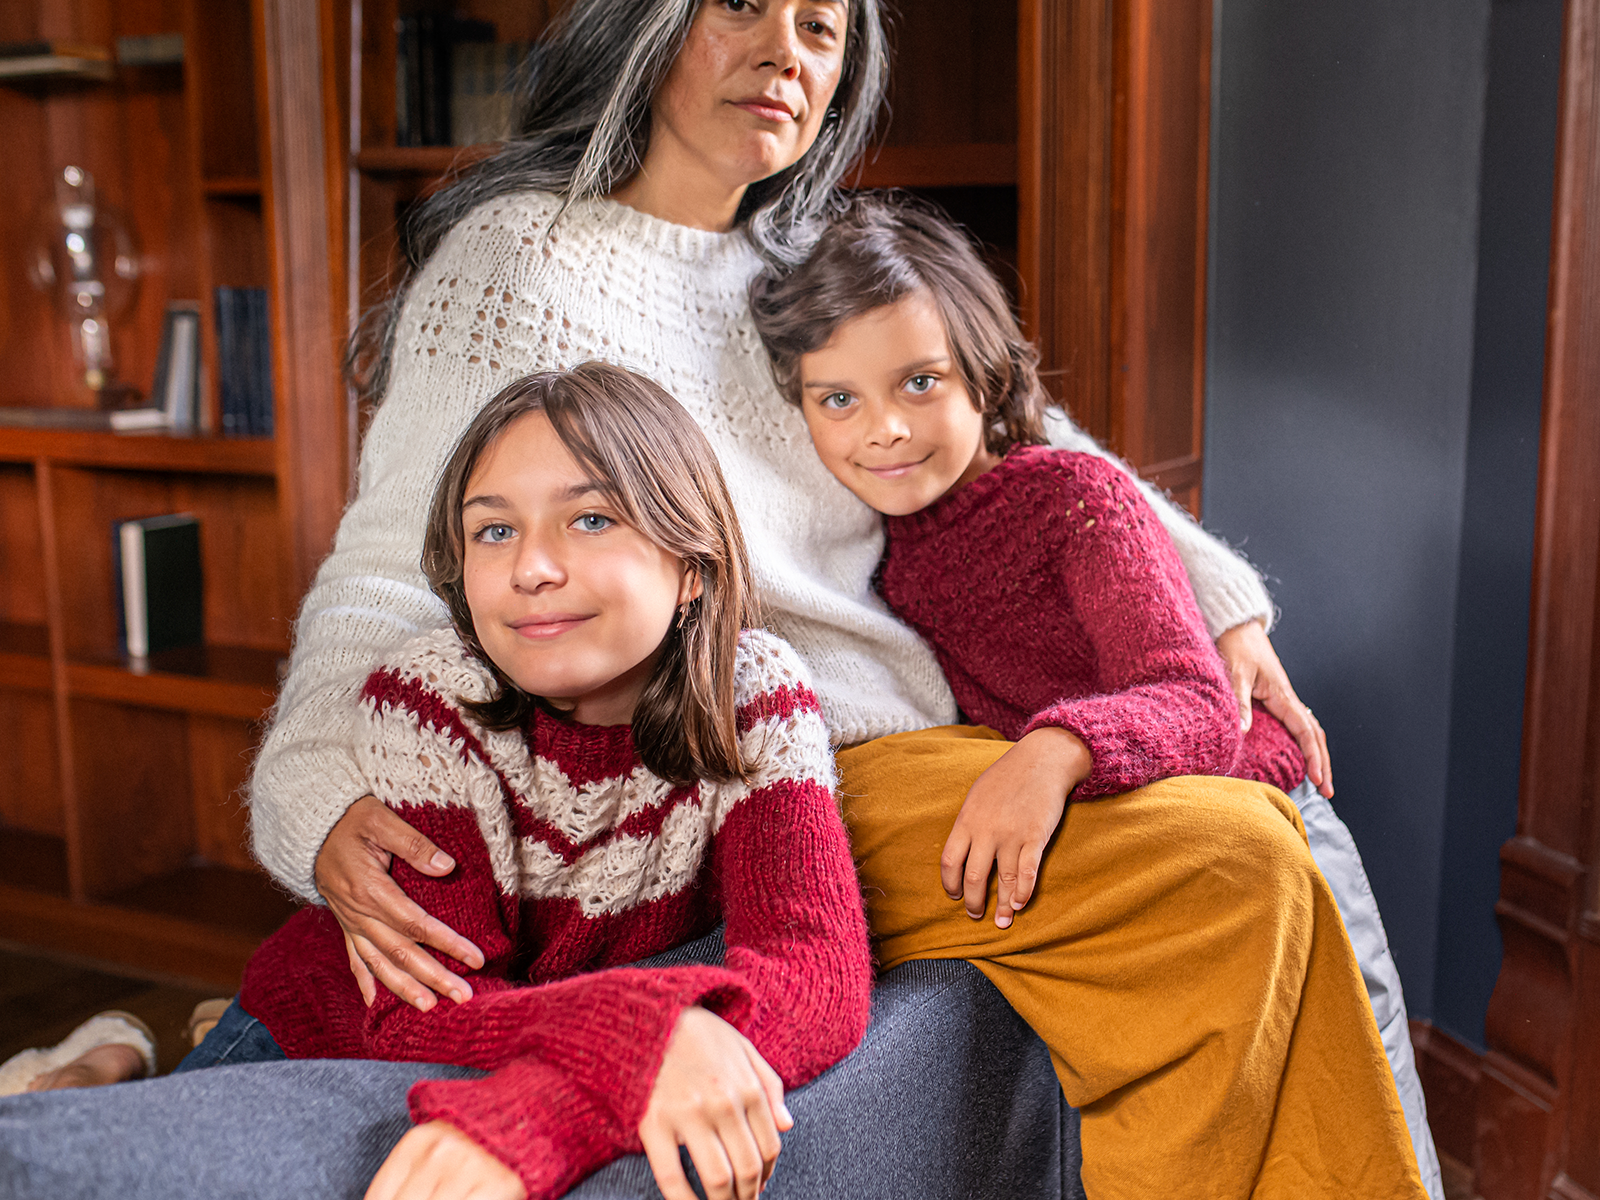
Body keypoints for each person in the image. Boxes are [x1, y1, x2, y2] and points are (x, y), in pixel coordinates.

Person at [110, 0, 1409, 1195]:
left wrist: (1221, 607)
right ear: (649, 22)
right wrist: (314, 796)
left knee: (1281, 815)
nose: (788, 50)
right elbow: (391, 571)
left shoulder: (814, 260)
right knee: (1241, 869)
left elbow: (1018, 425)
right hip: (791, 766)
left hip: (934, 746)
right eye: (743, 2)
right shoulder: (517, 264)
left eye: (824, 26)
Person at [748, 190, 1443, 1198]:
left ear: (983, 381)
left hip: (1247, 790)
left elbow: (1196, 700)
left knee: (1349, 1069)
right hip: (1126, 812)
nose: (884, 430)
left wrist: (1055, 747)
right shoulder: (879, 552)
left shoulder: (1074, 499)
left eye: (919, 383)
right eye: (837, 400)